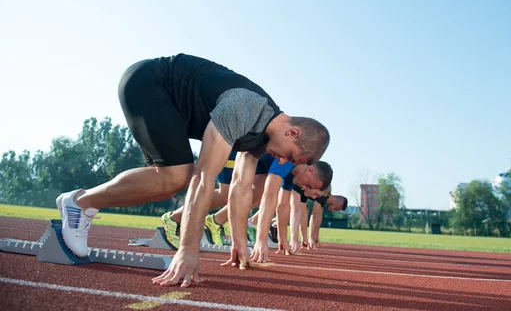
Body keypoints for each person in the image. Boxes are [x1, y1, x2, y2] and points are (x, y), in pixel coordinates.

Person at [55, 54, 330, 287]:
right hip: (149, 83)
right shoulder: (245, 109)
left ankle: (81, 201)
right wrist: (188, 249)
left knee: (171, 178)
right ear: (292, 132)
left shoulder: (261, 138)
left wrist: (238, 243)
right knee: (177, 176)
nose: (283, 163)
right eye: (290, 156)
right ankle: (80, 203)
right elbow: (203, 178)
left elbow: (241, 187)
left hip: (172, 107)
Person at [161, 151, 332, 248]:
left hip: (257, 160)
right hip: (239, 150)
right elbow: (271, 196)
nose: (304, 189)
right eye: (309, 186)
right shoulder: (289, 161)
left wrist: (283, 240)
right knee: (225, 193)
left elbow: (282, 206)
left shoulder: (293, 174)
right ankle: (173, 218)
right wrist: (261, 240)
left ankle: (215, 222)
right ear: (309, 171)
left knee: (254, 195)